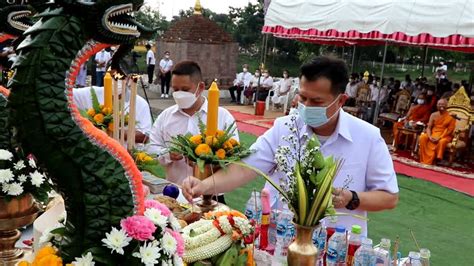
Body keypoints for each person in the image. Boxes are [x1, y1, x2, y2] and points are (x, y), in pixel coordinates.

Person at [183, 56, 399, 236]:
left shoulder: (368, 137)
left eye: (316, 101)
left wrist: (351, 198)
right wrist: (204, 185)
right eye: (302, 97)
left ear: (341, 100)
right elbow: (245, 167)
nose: (306, 106)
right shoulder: (285, 127)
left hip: (335, 244)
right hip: (280, 237)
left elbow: (389, 197)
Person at [148, 61, 239, 199]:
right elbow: (151, 147)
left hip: (211, 196)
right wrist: (167, 154)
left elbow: (234, 157)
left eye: (185, 89)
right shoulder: (166, 116)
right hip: (175, 192)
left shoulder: (222, 116)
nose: (179, 94)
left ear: (200, 87)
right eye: (175, 89)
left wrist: (208, 161)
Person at [73, 82, 152, 143]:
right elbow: (66, 92)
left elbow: (144, 136)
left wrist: (112, 131)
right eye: (113, 75)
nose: (117, 81)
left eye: (121, 76)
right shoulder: (92, 93)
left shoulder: (140, 103)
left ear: (128, 79)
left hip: (125, 155)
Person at [418, 99, 456, 165]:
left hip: (445, 135)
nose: (441, 105)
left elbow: (450, 131)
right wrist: (429, 136)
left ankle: (436, 159)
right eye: (439, 104)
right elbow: (429, 128)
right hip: (433, 134)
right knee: (423, 137)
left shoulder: (451, 116)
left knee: (442, 141)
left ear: (447, 105)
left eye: (443, 104)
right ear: (436, 105)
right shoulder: (433, 115)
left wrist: (440, 137)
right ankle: (423, 158)